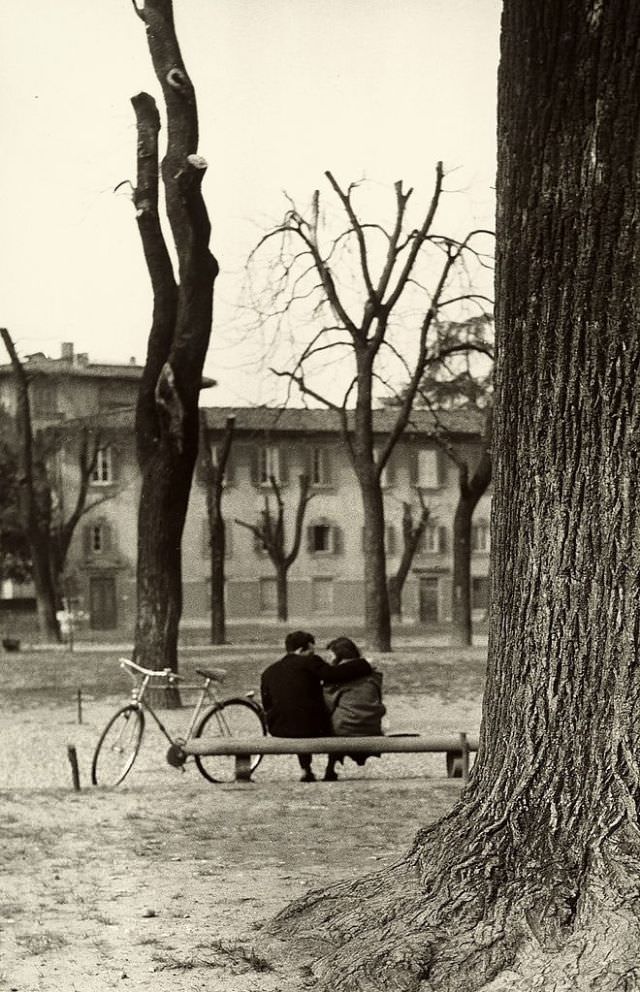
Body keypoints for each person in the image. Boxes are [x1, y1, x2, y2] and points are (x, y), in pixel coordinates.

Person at [260, 630, 372, 782]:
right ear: (301, 649)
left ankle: (306, 769)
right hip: (311, 728)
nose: (313, 654)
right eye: (311, 650)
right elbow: (334, 675)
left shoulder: (269, 671)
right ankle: (330, 769)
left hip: (279, 729)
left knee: (298, 713)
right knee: (324, 718)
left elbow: (267, 704)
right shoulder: (310, 662)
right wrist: (364, 664)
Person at [322, 636, 385, 781]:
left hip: (345, 729)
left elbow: (328, 705)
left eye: (330, 655)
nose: (328, 660)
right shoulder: (373, 676)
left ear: (339, 656)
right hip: (371, 727)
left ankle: (330, 768)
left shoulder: (337, 678)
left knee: (334, 722)